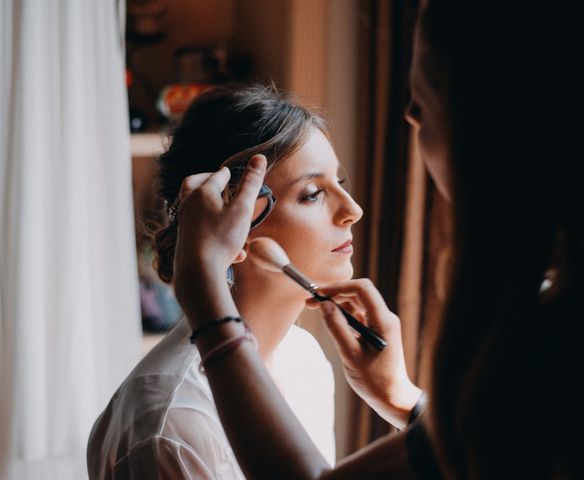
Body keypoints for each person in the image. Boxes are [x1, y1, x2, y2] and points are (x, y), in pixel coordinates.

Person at [169, 0, 584, 478]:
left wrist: (208, 303)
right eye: (312, 193)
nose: (411, 116)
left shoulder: (575, 339)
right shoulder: (168, 424)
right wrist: (407, 402)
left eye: (422, 102)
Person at [86, 85, 375, 478]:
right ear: (231, 223)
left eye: (341, 183)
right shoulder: (170, 426)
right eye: (312, 194)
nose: (352, 211)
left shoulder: (306, 361)